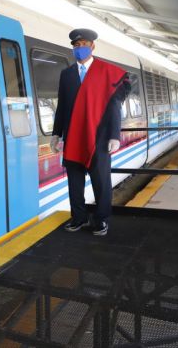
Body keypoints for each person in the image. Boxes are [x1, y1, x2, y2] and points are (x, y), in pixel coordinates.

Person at [50, 28, 130, 236]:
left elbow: (114, 105)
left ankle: (101, 220)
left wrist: (114, 135)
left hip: (100, 138)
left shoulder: (106, 72)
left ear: (92, 46)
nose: (80, 48)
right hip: (73, 137)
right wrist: (56, 133)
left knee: (101, 182)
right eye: (76, 46)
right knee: (74, 182)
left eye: (84, 44)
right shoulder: (66, 75)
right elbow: (62, 106)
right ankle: (78, 217)